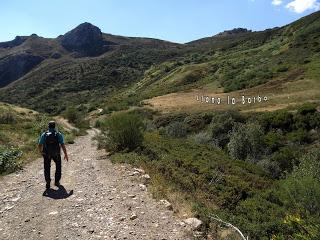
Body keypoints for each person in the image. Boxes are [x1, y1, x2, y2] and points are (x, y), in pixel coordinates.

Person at [38, 121, 69, 189]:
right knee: (58, 167)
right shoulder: (58, 134)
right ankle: (57, 182)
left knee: (47, 168)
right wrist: (65, 154)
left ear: (48, 126)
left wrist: (41, 152)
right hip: (56, 154)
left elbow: (40, 144)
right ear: (55, 126)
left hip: (46, 154)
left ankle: (48, 182)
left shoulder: (44, 134)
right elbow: (62, 145)